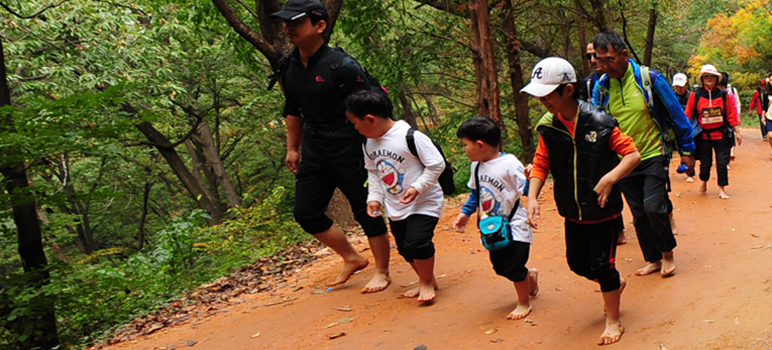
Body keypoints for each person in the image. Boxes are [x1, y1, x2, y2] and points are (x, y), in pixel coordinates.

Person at [270, 0, 392, 293]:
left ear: (319, 25)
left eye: (296, 22)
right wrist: (293, 148)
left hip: (351, 147)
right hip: (315, 148)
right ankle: (351, 257)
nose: (288, 28)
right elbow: (293, 108)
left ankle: (383, 271)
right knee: (306, 212)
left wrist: (382, 148)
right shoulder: (287, 65)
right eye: (286, 22)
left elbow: (377, 106)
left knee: (366, 211)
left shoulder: (343, 66)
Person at [522, 57, 640, 346]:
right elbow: (541, 163)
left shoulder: (599, 122)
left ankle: (613, 319)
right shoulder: (548, 127)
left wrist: (610, 178)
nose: (543, 101)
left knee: (602, 265)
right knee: (576, 264)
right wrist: (532, 196)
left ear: (568, 90)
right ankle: (613, 283)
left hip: (603, 211)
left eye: (547, 94)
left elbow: (632, 155)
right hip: (572, 212)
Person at [592, 31, 696, 277]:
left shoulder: (650, 79)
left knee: (653, 207)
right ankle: (653, 259)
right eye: (599, 60)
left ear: (624, 55)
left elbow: (676, 114)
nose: (604, 65)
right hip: (624, 160)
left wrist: (687, 149)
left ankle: (667, 253)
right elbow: (597, 122)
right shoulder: (602, 86)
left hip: (653, 153)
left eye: (609, 59)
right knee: (638, 214)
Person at [343, 90, 444, 302]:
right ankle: (426, 278)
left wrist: (417, 187)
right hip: (396, 206)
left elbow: (437, 165)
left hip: (424, 202)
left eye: (355, 122)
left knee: (418, 242)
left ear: (370, 119)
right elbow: (374, 172)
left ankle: (426, 282)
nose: (355, 128)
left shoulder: (411, 137)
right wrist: (374, 198)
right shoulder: (369, 143)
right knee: (405, 248)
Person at [452, 116, 539, 320]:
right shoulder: (477, 167)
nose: (464, 150)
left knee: (515, 265)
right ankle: (530, 278)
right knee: (500, 267)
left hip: (516, 225)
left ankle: (523, 303)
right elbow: (476, 195)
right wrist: (465, 213)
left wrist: (529, 177)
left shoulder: (509, 163)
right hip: (492, 228)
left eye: (465, 145)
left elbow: (525, 191)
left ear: (480, 145)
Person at [586, 39, 629, 244]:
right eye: (590, 56)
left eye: (598, 56)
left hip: (627, 144)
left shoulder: (614, 77)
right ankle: (614, 230)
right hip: (601, 144)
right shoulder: (589, 82)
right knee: (609, 185)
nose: (594, 60)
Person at [684, 65, 742, 199]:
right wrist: (684, 132)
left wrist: (737, 132)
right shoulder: (696, 94)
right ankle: (704, 182)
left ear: (717, 79)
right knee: (705, 163)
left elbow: (731, 114)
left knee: (722, 163)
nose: (709, 79)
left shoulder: (723, 94)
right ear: (702, 79)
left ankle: (722, 189)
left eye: (712, 77)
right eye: (706, 76)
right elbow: (688, 113)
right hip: (703, 136)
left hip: (721, 135)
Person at [719, 72, 741, 162]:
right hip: (718, 120)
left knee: (729, 136)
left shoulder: (731, 92)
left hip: (729, 118)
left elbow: (735, 105)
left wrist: (737, 117)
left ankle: (728, 155)